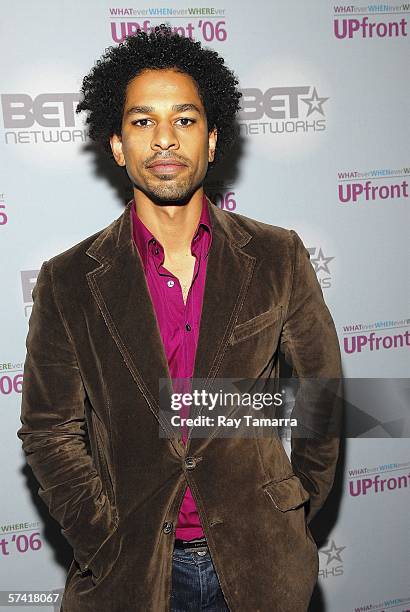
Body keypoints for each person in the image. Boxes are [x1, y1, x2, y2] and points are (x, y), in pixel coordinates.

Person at [17, 25, 343, 612]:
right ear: (117, 145)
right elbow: (48, 430)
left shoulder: (277, 256)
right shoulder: (67, 280)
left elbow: (320, 397)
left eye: (185, 120)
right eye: (143, 121)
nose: (165, 139)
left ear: (213, 140)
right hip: (130, 574)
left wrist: (292, 513)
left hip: (261, 568)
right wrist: (104, 538)